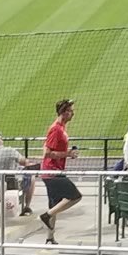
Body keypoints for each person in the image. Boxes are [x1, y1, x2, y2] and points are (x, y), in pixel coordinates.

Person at [39, 98, 81, 243]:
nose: (73, 113)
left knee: (55, 204)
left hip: (52, 171)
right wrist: (68, 154)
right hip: (52, 172)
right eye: (70, 111)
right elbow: (47, 153)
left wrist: (67, 153)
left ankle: (49, 238)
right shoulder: (56, 129)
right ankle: (46, 215)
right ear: (63, 112)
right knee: (75, 196)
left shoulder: (61, 128)